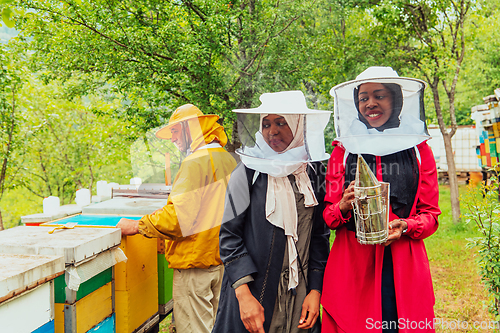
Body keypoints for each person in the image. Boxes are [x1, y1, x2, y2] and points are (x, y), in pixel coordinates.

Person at [321, 66, 441, 333]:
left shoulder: (419, 150)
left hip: (403, 265)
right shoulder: (342, 151)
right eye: (363, 98)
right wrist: (342, 205)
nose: (370, 104)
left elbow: (431, 215)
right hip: (353, 266)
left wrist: (406, 226)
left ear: (396, 100)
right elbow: (328, 215)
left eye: (380, 96)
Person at [212, 91, 331, 333]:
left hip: (300, 296)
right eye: (266, 124)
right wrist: (243, 295)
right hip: (256, 295)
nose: (271, 131)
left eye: (281, 122)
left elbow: (319, 236)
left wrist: (315, 290)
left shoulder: (313, 173)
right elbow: (229, 237)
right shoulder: (247, 172)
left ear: (299, 126)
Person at [117, 104, 237, 333]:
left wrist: (136, 225)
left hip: (194, 267)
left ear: (189, 128)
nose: (172, 138)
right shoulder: (225, 158)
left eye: (175, 131)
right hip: (220, 262)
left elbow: (177, 218)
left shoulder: (195, 163)